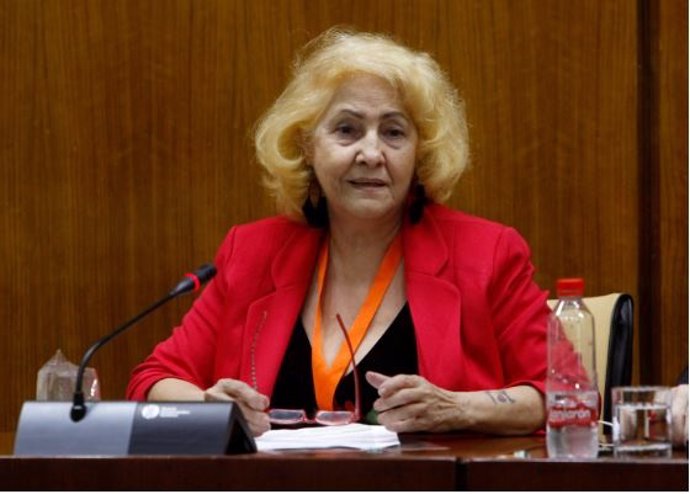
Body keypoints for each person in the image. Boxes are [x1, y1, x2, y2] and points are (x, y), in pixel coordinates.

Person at [126, 27, 549, 437]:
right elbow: (154, 380)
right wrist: (208, 407)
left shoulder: (487, 253)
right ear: (308, 145)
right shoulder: (251, 252)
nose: (370, 153)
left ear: (421, 151)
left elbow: (558, 393)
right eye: (347, 130)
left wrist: (457, 408)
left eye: (394, 132)